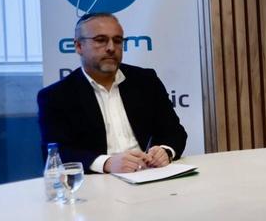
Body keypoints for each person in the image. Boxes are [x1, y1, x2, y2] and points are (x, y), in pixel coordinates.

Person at [37, 12, 187, 173]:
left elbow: (174, 131)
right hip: (96, 182)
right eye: (100, 40)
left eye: (117, 41)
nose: (111, 48)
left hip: (147, 174)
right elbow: (55, 152)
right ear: (79, 46)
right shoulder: (56, 96)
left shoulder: (145, 81)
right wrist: (107, 163)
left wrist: (165, 150)